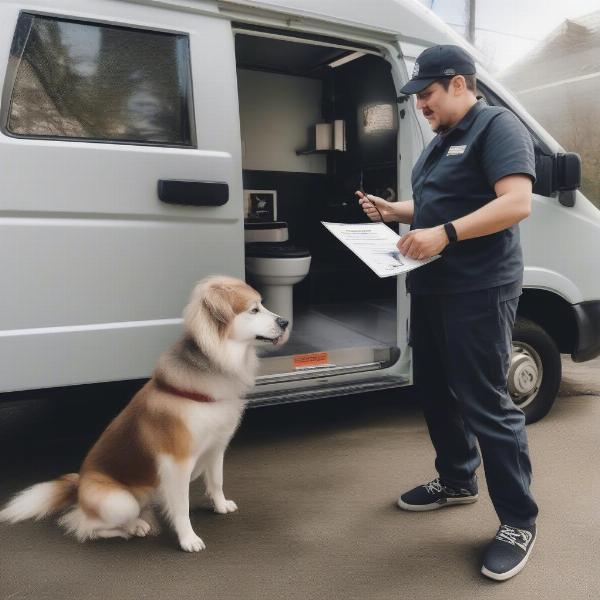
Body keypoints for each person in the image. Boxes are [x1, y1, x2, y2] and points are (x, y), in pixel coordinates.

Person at [358, 44, 538, 582]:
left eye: (429, 94)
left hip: (479, 289)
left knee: (486, 404)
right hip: (433, 287)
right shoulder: (442, 141)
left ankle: (518, 522)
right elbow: (439, 204)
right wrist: (398, 211)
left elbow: (515, 202)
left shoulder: (497, 127)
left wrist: (446, 233)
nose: (422, 105)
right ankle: (458, 480)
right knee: (433, 389)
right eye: (418, 97)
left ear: (459, 84)